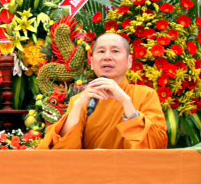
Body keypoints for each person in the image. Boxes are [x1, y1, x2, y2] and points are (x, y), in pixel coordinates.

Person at [38, 33, 168, 149]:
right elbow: (61, 151)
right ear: (92, 62)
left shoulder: (146, 95)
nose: (107, 57)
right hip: (92, 167)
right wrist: (77, 107)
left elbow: (156, 144)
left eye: (115, 51)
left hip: (130, 167)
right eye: (101, 51)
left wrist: (126, 102)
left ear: (129, 61)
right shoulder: (80, 100)